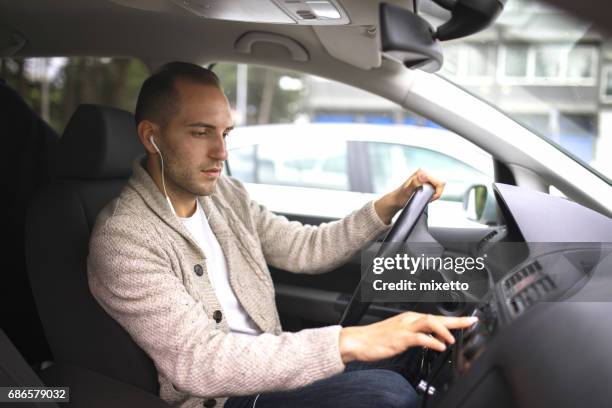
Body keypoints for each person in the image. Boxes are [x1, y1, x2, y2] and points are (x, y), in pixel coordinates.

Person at [87, 61, 477, 408]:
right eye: (201, 132)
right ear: (150, 136)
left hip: (268, 366)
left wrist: (390, 203)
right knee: (389, 396)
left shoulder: (224, 195)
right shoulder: (124, 239)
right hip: (222, 398)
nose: (221, 152)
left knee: (418, 347)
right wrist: (348, 341)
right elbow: (200, 363)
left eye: (225, 133)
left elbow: (305, 249)